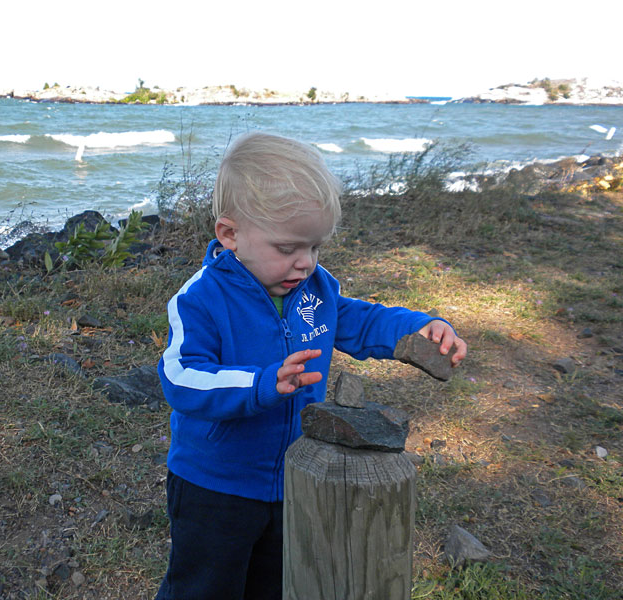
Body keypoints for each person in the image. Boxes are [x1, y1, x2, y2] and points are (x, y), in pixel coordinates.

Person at [155, 132, 467, 600]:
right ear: (230, 234)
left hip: (293, 480)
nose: (305, 263)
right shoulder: (201, 299)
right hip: (215, 485)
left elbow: (359, 319)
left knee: (277, 583)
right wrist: (260, 383)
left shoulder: (314, 290)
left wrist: (420, 327)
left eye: (315, 247)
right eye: (287, 249)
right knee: (203, 588)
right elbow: (181, 376)